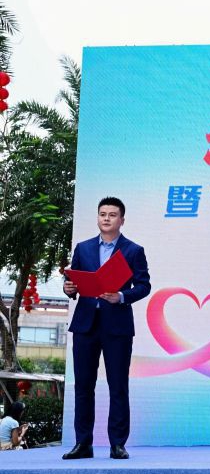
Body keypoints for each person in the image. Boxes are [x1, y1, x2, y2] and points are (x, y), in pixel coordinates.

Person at [62, 196, 151, 460]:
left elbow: (144, 285)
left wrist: (121, 296)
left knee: (118, 385)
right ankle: (83, 443)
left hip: (117, 327)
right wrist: (68, 288)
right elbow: (73, 284)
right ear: (98, 217)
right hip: (85, 325)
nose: (106, 218)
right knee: (83, 386)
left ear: (122, 220)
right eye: (102, 214)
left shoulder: (133, 251)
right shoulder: (83, 248)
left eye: (112, 215)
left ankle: (117, 444)